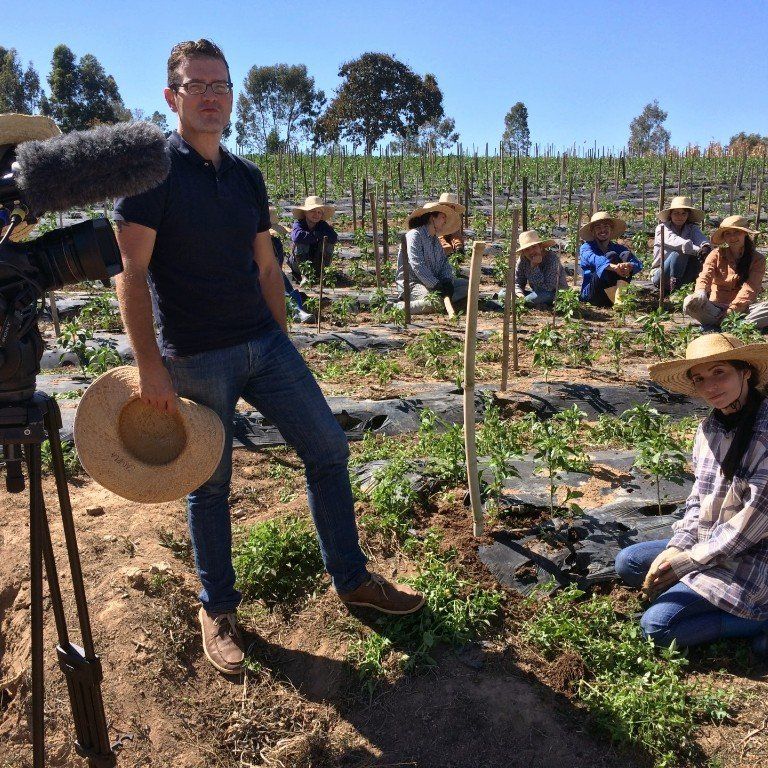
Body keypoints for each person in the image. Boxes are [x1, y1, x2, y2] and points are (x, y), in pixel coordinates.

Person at [113, 39, 424, 677]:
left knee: (328, 449)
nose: (210, 96)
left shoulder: (247, 177)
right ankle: (218, 608)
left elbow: (265, 265)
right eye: (196, 85)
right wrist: (149, 365)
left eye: (220, 85)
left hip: (263, 344)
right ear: (172, 97)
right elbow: (131, 273)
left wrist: (278, 337)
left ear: (232, 96)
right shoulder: (150, 175)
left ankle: (351, 576)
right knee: (209, 484)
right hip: (196, 358)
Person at [615, 332, 768, 651]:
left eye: (719, 372)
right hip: (712, 544)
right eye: (700, 378)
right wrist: (677, 547)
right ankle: (700, 591)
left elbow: (748, 529)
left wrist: (687, 563)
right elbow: (699, 501)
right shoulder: (709, 429)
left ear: (746, 372)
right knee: (628, 562)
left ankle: (756, 619)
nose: (710, 386)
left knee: (657, 628)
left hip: (755, 558)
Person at [683, 215, 768, 330]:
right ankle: (737, 326)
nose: (732, 237)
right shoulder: (716, 254)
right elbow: (705, 275)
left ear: (745, 233)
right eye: (728, 233)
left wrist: (731, 312)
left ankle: (722, 325)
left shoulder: (757, 259)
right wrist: (700, 291)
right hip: (715, 308)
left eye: (736, 232)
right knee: (689, 302)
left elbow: (750, 288)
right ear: (724, 237)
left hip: (743, 309)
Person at [395, 200, 469, 315]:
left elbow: (444, 263)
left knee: (468, 287)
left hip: (433, 282)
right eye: (443, 217)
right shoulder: (414, 236)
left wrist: (446, 280)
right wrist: (435, 285)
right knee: (434, 301)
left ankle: (439, 303)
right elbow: (418, 266)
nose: (445, 220)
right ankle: (396, 307)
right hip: (412, 284)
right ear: (432, 218)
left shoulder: (435, 239)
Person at [578, 211, 642, 306]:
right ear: (593, 231)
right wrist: (614, 267)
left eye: (606, 227)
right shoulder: (586, 247)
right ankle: (616, 298)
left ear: (611, 229)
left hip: (613, 292)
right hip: (594, 294)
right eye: (598, 228)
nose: (602, 230)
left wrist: (629, 266)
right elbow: (595, 259)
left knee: (626, 255)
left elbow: (638, 264)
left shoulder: (619, 248)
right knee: (611, 256)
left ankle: (619, 297)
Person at [651, 196, 711, 293]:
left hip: (685, 274)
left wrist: (705, 247)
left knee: (701, 257)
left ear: (688, 216)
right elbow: (677, 242)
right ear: (670, 215)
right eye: (676, 213)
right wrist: (698, 250)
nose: (680, 217)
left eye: (684, 213)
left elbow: (701, 239)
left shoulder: (691, 228)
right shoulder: (662, 228)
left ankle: (698, 284)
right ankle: (674, 286)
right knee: (680, 252)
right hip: (662, 275)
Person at [270, 206, 312, 323]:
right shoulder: (251, 244)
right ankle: (295, 310)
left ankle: (296, 308)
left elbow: (276, 266)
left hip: (272, 274)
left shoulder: (276, 243)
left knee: (280, 277)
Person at [288, 195, 338, 284]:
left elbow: (333, 237)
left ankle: (323, 273)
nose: (316, 215)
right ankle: (304, 276)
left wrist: (316, 235)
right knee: (302, 241)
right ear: (305, 213)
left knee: (328, 241)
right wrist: (316, 237)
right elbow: (296, 236)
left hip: (317, 262)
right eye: (312, 211)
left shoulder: (322, 225)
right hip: (299, 265)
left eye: (319, 212)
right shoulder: (299, 224)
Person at [512, 230, 568, 307]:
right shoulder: (523, 260)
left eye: (534, 247)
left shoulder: (552, 259)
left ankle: (520, 303)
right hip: (535, 293)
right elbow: (517, 282)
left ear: (540, 247)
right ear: (523, 252)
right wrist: (520, 295)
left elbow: (548, 288)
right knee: (503, 293)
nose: (531, 251)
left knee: (532, 298)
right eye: (527, 249)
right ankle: (522, 302)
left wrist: (534, 267)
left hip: (553, 294)